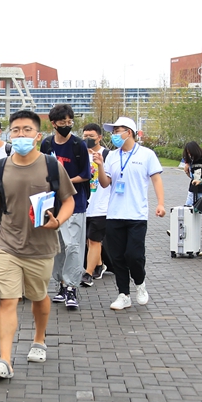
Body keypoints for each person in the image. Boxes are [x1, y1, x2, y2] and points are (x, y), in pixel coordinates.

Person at [0, 109, 74, 379]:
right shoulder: (1, 167)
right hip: (7, 244)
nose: (21, 134)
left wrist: (59, 221)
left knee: (38, 296)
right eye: (16, 130)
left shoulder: (52, 166)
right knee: (7, 299)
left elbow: (69, 200)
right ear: (9, 134)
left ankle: (39, 339)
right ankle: (4, 361)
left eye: (27, 130)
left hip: (41, 247)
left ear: (37, 135)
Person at [94, 116, 165, 311]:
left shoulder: (147, 154)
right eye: (114, 131)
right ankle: (123, 294)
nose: (115, 135)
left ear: (129, 132)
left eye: (118, 131)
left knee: (134, 255)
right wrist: (100, 165)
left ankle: (140, 283)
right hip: (114, 214)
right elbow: (104, 183)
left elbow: (156, 179)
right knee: (117, 257)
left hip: (137, 215)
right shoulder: (112, 156)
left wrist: (160, 203)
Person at [40, 104, 91, 310]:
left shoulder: (79, 145)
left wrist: (65, 182)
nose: (67, 126)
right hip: (53, 204)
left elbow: (86, 174)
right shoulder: (47, 144)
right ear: (54, 123)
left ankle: (72, 287)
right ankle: (61, 284)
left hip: (74, 203)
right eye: (63, 122)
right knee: (58, 247)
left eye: (70, 122)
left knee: (73, 246)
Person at [81, 123, 110, 286]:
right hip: (85, 204)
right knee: (89, 240)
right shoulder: (81, 154)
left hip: (101, 206)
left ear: (99, 137)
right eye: (85, 136)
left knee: (94, 240)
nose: (88, 139)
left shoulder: (108, 155)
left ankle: (88, 273)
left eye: (91, 136)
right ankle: (99, 265)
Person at [182, 141, 202, 246]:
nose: (189, 154)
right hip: (193, 190)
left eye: (190, 152)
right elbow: (191, 176)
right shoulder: (190, 161)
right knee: (187, 209)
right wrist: (187, 171)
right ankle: (182, 231)